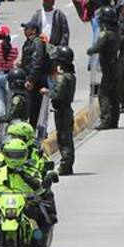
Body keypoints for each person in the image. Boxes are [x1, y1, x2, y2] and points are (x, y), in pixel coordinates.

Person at [89, 5, 120, 129]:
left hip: (108, 69)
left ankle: (106, 120)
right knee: (114, 95)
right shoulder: (115, 32)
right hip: (115, 66)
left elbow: (97, 47)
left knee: (103, 94)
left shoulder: (105, 34)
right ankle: (114, 120)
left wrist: (90, 50)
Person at [49, 47, 76, 175]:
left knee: (64, 138)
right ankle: (67, 165)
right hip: (66, 109)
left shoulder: (63, 78)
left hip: (62, 111)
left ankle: (65, 165)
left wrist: (47, 92)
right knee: (67, 138)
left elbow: (57, 95)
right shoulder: (71, 76)